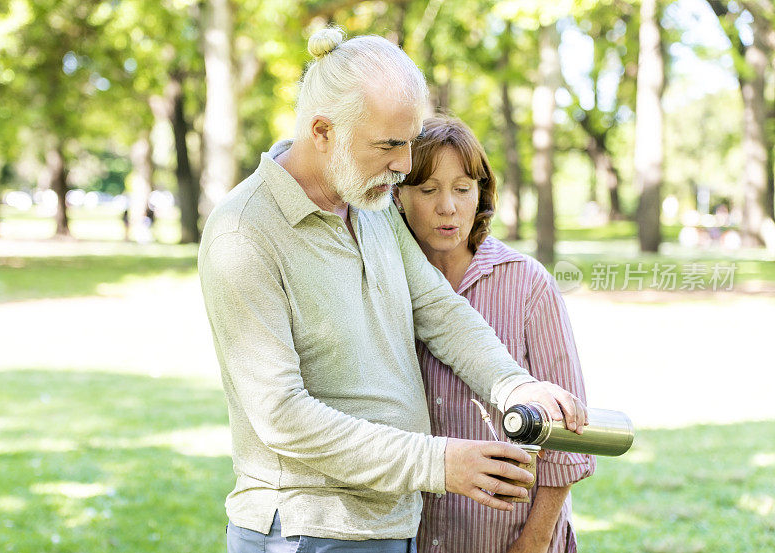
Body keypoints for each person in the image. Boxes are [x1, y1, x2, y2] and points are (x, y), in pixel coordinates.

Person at [198, 27, 587, 553]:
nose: (405, 164)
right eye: (389, 145)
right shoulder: (243, 234)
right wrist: (439, 462)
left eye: (409, 141)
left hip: (392, 525)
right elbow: (282, 416)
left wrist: (513, 385)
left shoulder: (371, 203)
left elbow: (439, 311)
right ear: (323, 131)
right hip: (304, 533)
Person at [392, 115, 596, 553]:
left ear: (481, 194)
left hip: (510, 536)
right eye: (428, 190)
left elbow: (567, 437)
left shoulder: (528, 284)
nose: (447, 206)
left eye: (462, 189)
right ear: (398, 196)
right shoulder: (387, 287)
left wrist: (535, 540)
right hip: (413, 535)